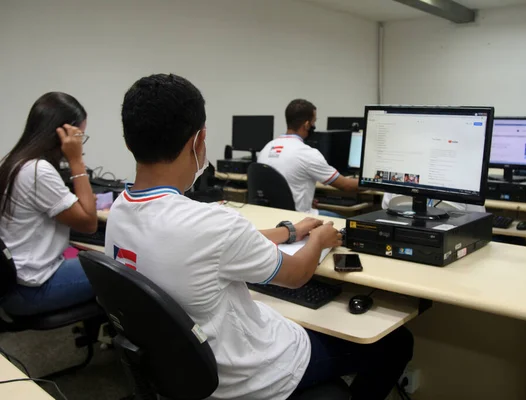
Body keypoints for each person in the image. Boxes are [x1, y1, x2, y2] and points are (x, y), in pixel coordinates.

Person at [106, 74, 413, 400]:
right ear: (199, 141)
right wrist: (320, 239)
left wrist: (289, 231)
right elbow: (295, 276)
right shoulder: (213, 224)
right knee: (395, 343)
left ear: (129, 142)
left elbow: (217, 244)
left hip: (188, 373)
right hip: (254, 375)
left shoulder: (119, 211)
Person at [0, 92, 97, 315]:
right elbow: (89, 224)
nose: (80, 143)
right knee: (123, 273)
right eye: (80, 136)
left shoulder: (14, 162)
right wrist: (77, 160)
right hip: (33, 288)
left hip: (16, 278)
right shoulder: (37, 172)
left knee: (92, 257)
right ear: (63, 136)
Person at [257, 99, 359, 217]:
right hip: (300, 219)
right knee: (347, 224)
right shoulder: (307, 153)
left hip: (273, 217)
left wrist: (306, 200)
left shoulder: (266, 148)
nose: (314, 126)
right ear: (306, 125)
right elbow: (346, 185)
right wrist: (377, 183)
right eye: (313, 122)